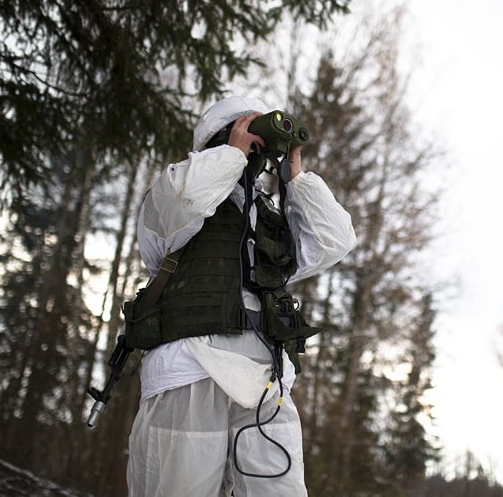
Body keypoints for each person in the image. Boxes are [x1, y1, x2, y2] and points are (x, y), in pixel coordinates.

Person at [126, 96, 357, 496]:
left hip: (266, 383)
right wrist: (230, 153)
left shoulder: (267, 215)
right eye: (246, 133)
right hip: (190, 370)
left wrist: (295, 179)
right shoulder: (177, 189)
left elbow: (335, 240)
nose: (253, 147)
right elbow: (185, 199)